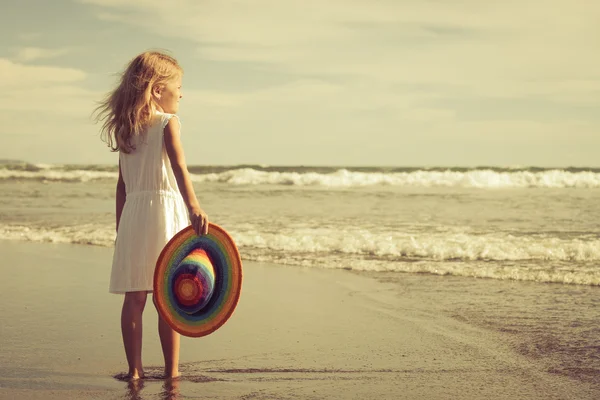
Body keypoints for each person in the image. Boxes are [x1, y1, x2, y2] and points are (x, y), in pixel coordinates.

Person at [94, 51, 209, 380]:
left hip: (133, 217)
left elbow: (121, 187)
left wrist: (121, 228)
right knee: (166, 297)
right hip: (163, 214)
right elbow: (179, 167)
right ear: (158, 89)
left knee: (134, 296)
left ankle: (134, 370)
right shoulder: (167, 123)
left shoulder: (126, 130)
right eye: (179, 86)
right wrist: (194, 206)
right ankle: (172, 371)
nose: (182, 94)